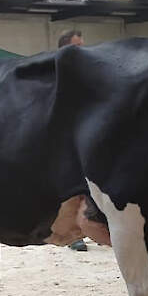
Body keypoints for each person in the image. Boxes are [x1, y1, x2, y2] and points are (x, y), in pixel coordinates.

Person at [58, 29, 88, 250]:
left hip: (85, 139)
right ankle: (72, 236)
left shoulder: (86, 73)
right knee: (69, 189)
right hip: (65, 141)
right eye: (78, 47)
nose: (83, 51)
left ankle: (90, 229)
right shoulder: (58, 73)